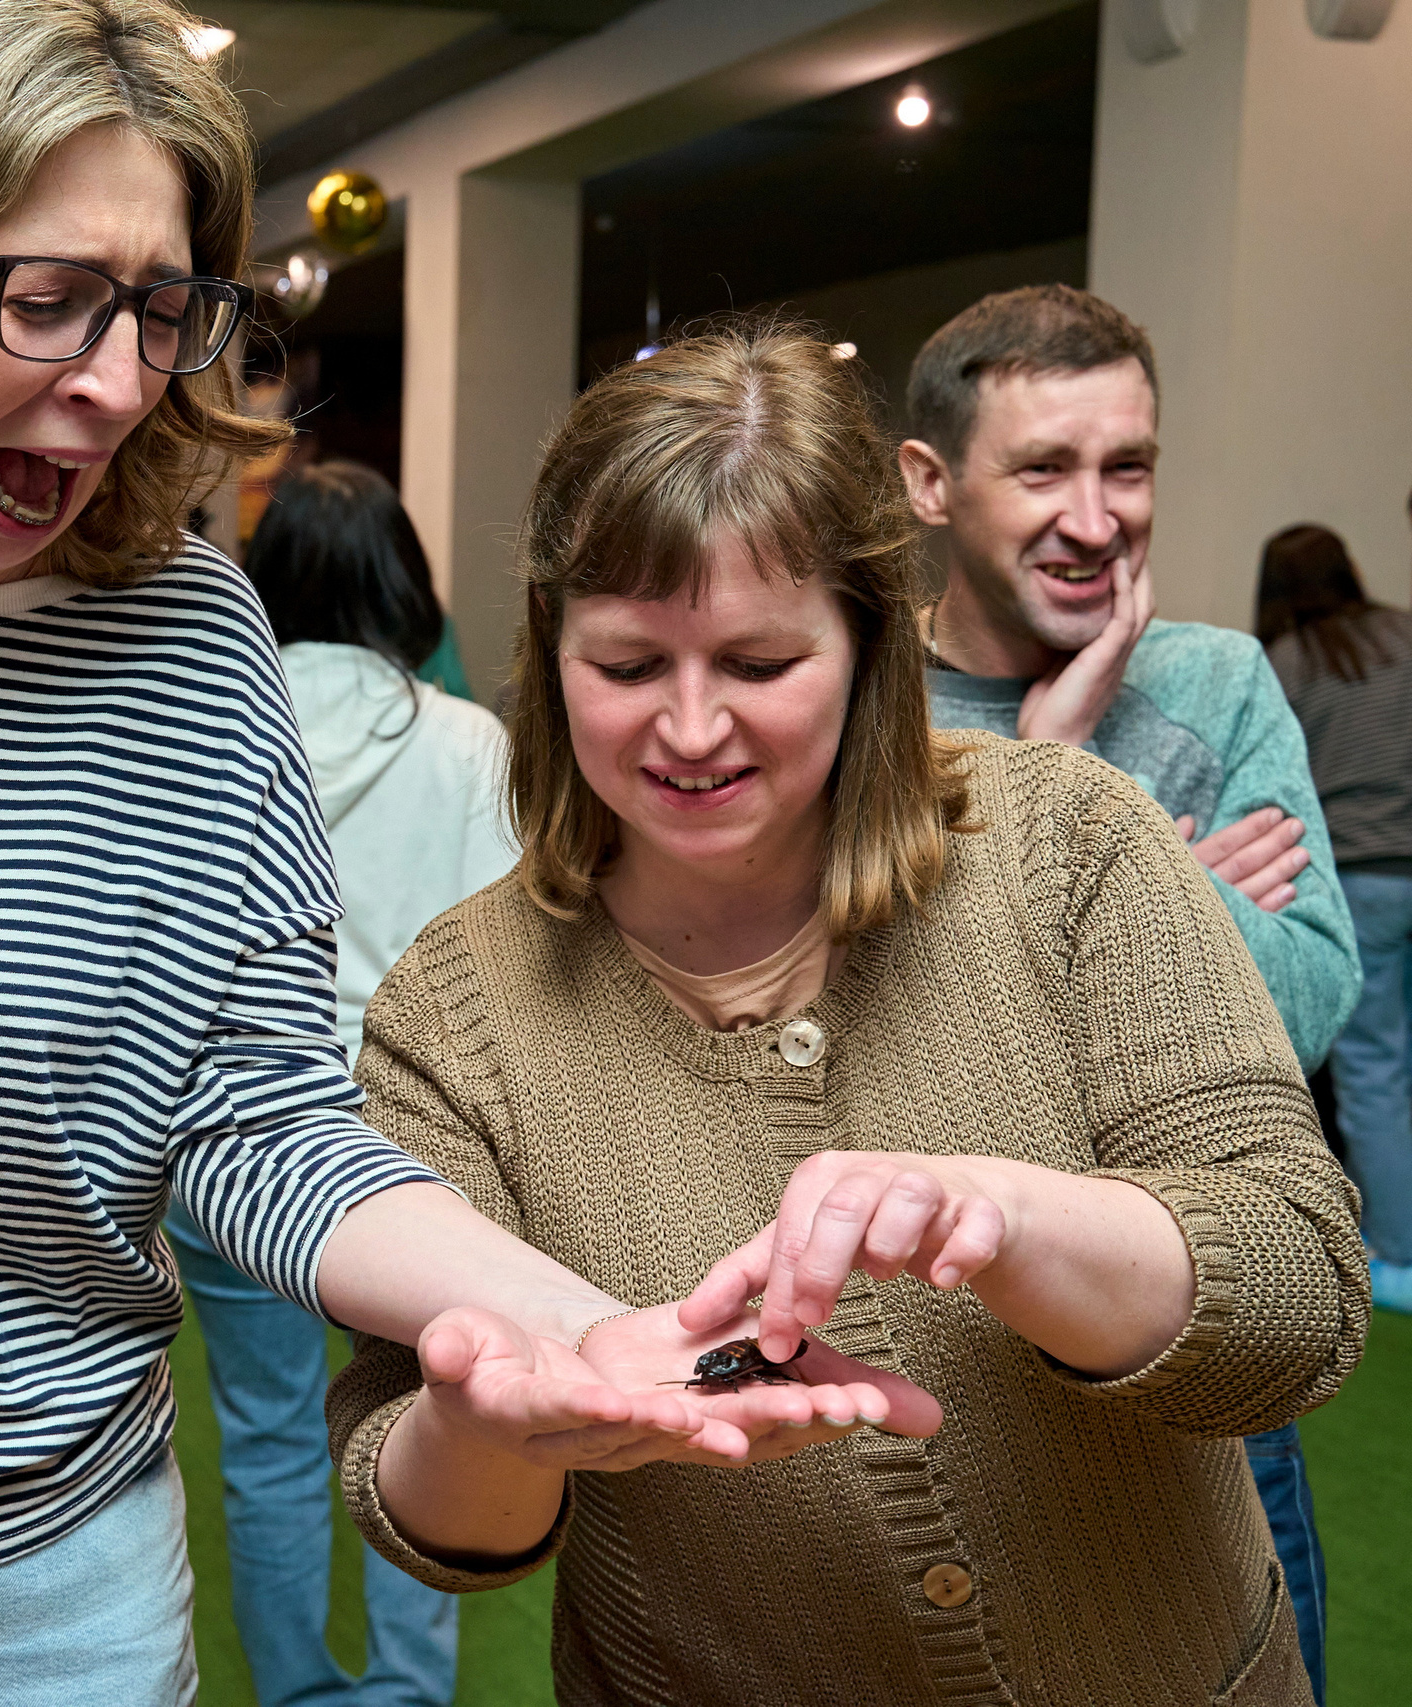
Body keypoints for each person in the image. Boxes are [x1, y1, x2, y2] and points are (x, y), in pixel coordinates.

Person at [0, 6, 927, 1701]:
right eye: (46, 299)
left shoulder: (192, 642)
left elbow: (258, 1114)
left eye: (164, 311)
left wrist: (560, 1312)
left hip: (41, 1584)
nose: (121, 383)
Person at [329, 322, 1368, 1707]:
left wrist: (1003, 1219)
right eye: (628, 666)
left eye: (759, 664)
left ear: (869, 640)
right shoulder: (454, 1013)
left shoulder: (1068, 841)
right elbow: (436, 1520)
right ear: (545, 650)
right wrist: (492, 1423)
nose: (691, 728)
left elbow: (1300, 1294)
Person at [899, 284, 1362, 1699]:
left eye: (1129, 466)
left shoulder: (1216, 684)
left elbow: (1301, 1012)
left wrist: (1087, 792)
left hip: (1200, 1351)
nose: (1097, 518)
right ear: (931, 480)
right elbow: (914, 1057)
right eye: (1044, 467)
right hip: (939, 1350)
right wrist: (1100, 805)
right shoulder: (855, 698)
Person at [165, 460, 510, 1707]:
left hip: (234, 1132)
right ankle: (409, 1694)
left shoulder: (207, 731)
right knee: (425, 1425)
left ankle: (299, 1694)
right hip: (414, 1150)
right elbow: (501, 955)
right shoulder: (465, 742)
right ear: (403, 583)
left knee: (263, 1445)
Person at [1257, 521, 1412, 1315]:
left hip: (1358, 884)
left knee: (1374, 1073)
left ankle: (1399, 1254)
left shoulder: (1284, 666)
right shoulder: (1405, 635)